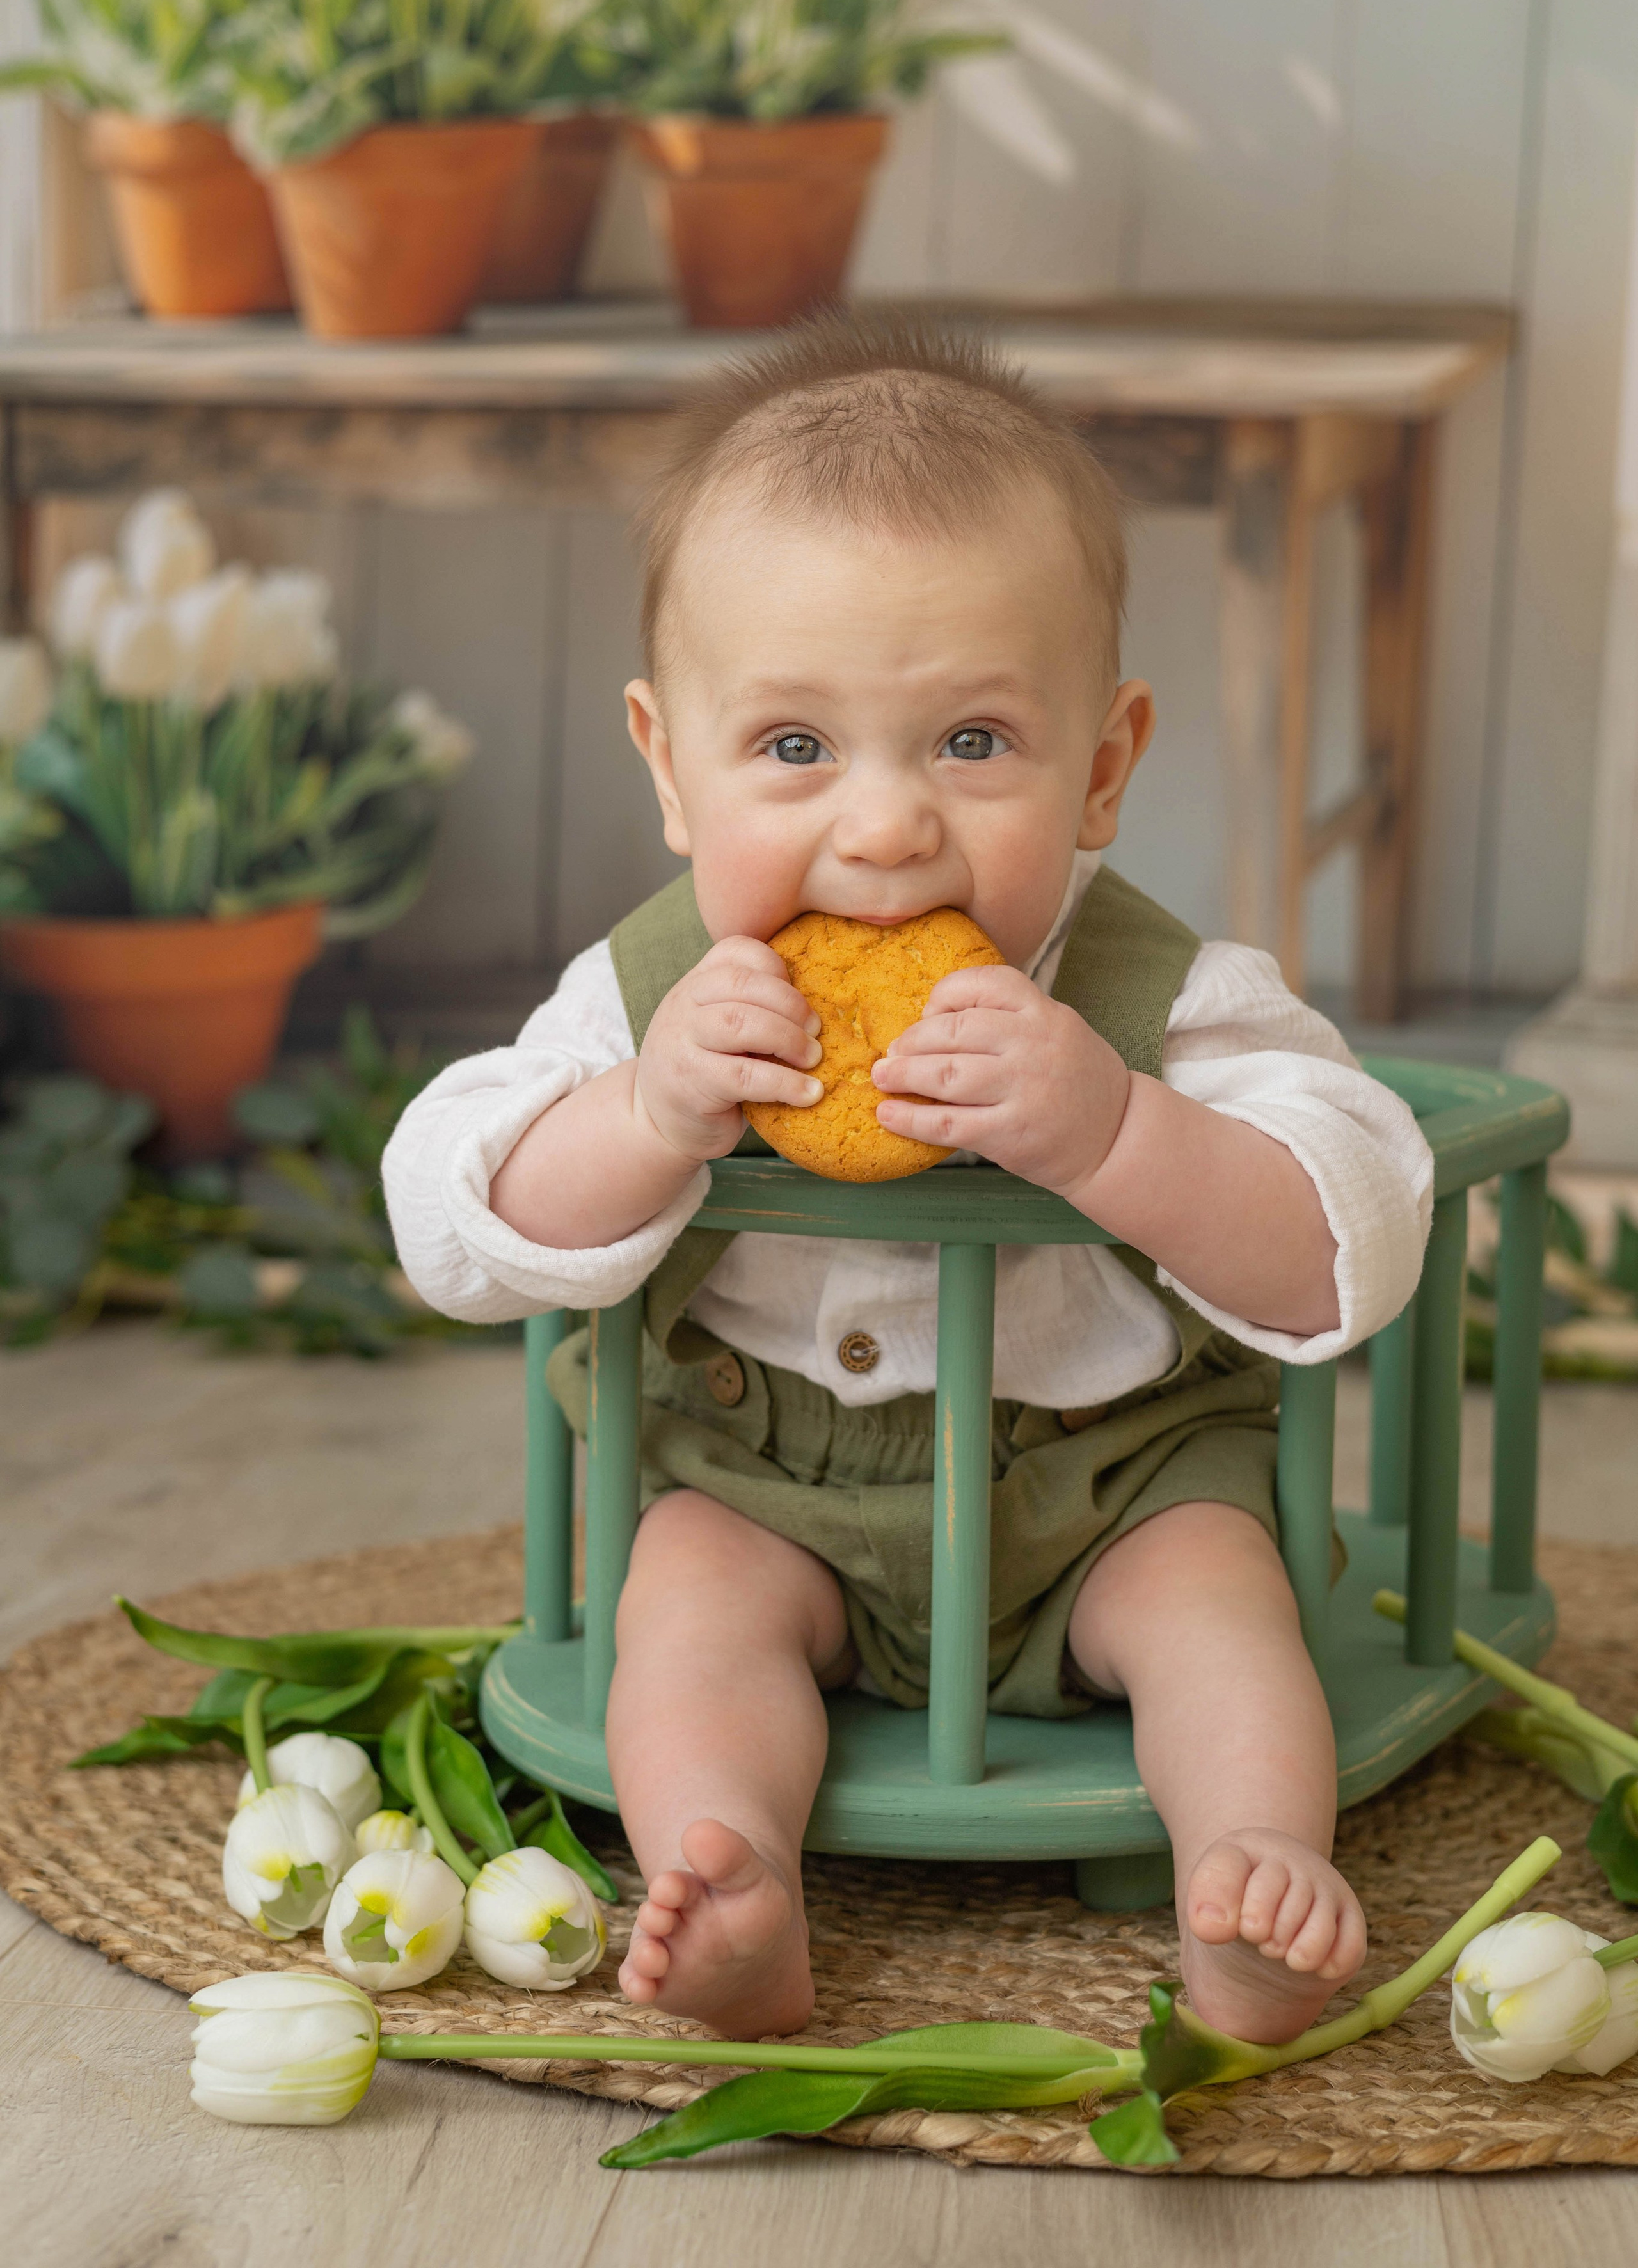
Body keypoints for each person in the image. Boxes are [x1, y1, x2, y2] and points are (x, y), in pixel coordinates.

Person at [384, 311, 1433, 2047]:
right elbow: (446, 1209)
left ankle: (1248, 1878)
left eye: (971, 743)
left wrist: (1117, 1134)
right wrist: (644, 1115)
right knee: (686, 1603)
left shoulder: (1169, 1002)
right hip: (768, 1485)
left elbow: (1354, 1229)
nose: (882, 827)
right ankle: (732, 1877)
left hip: (1109, 1495)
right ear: (668, 762)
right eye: (793, 746)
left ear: (1101, 765)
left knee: (1224, 1609)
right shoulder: (644, 998)